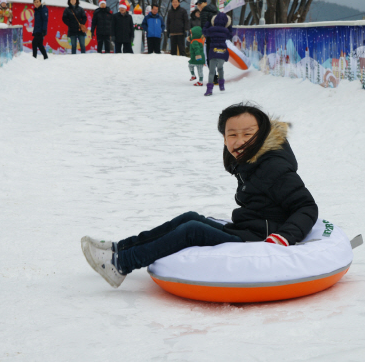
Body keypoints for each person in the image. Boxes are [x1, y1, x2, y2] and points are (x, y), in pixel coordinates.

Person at [81, 102, 318, 288]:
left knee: (192, 230)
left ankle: (121, 264)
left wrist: (283, 237)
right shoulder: (249, 161)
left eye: (248, 134)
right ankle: (119, 248)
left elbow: (306, 206)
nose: (239, 141)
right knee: (189, 217)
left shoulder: (273, 167)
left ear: (262, 133)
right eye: (232, 135)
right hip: (245, 229)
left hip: (257, 239)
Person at [202, 12, 232, 96]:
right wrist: (229, 26)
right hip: (222, 51)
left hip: (213, 51)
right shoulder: (226, 31)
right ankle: (221, 85)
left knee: (212, 71)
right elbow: (230, 35)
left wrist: (208, 23)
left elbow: (204, 31)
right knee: (220, 68)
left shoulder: (211, 29)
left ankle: (209, 90)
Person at [197, 0, 220, 81]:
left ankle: (214, 77)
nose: (199, 6)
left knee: (210, 57)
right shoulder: (215, 10)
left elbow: (204, 26)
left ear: (205, 3)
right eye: (198, 5)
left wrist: (205, 35)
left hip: (210, 37)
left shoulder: (204, 12)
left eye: (200, 4)